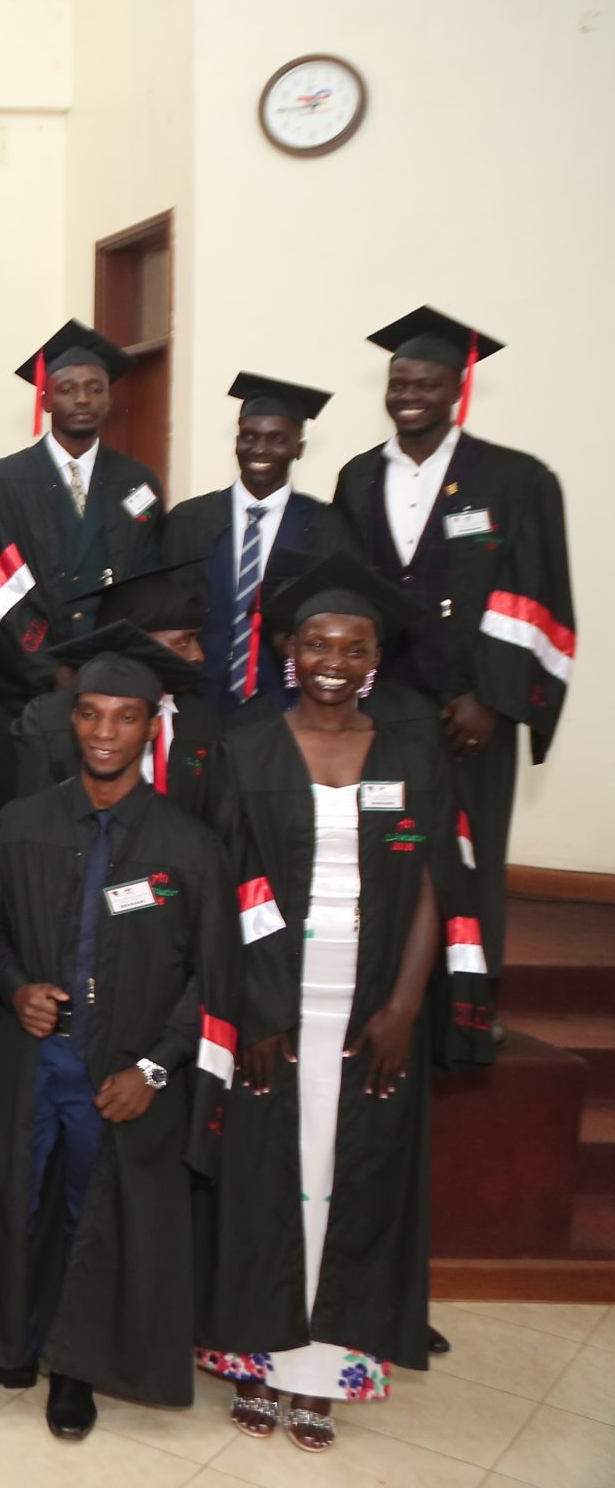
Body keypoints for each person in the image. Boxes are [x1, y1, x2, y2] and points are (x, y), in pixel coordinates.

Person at [196, 552, 489, 1452]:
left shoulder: (410, 749)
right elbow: (227, 883)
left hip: (370, 1003)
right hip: (272, 1002)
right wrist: (252, 1006)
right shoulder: (248, 748)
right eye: (317, 641)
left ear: (374, 659)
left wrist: (405, 1005)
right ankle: (257, 1359)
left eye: (352, 646)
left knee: (352, 1179)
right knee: (263, 1179)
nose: (332, 658)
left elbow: (438, 881)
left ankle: (327, 1371)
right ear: (291, 649)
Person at [0, 649, 236, 1439]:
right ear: (70, 719)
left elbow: (212, 976)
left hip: (121, 1071)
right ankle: (0, 1345)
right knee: (12, 1194)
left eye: (126, 716)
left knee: (95, 1211)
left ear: (152, 726)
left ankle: (75, 1366)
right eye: (90, 713)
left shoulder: (189, 844)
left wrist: (155, 1065)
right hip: (30, 1057)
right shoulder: (19, 825)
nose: (106, 731)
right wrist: (15, 987)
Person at [330, 307, 571, 1046]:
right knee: (387, 847)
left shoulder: (514, 478)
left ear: (456, 389)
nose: (409, 394)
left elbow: (532, 594)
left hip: (470, 712)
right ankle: (386, 995)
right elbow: (348, 590)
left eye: (426, 382)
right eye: (399, 381)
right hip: (387, 707)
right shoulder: (358, 475)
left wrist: (492, 697)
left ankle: (468, 1007)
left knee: (468, 855)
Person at [0, 322, 167, 785]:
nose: (82, 399)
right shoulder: (2, 481)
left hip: (112, 701)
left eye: (94, 389)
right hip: (30, 691)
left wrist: (108, 673)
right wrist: (54, 671)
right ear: (45, 399)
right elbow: (1, 586)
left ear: (108, 399)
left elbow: (147, 585)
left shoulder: (138, 482)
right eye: (67, 388)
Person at [160, 373, 355, 712]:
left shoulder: (327, 528)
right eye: (249, 437)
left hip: (290, 705)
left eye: (277, 439)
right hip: (198, 701)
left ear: (299, 448)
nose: (260, 449)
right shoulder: (188, 520)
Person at [0, 561, 230, 826]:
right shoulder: (49, 719)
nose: (198, 655)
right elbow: (28, 825)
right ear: (138, 642)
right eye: (183, 642)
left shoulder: (201, 721)